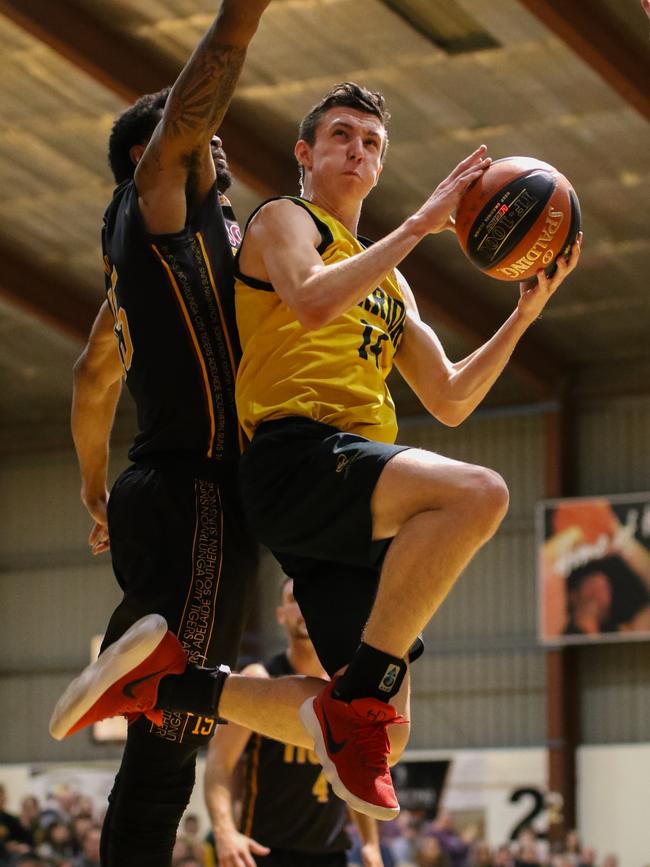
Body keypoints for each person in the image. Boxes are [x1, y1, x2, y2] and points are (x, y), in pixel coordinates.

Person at [47, 2, 347, 864]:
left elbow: (92, 376)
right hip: (198, 487)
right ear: (154, 157)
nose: (222, 148)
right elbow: (192, 107)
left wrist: (90, 486)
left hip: (163, 488)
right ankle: (138, 657)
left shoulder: (146, 260)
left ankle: (139, 647)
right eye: (202, 139)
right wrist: (243, 13)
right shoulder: (157, 206)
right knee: (167, 743)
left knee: (164, 741)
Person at [232, 81, 582, 818]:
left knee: (386, 741)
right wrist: (422, 224)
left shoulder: (390, 279)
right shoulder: (283, 219)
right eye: (342, 136)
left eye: (372, 143)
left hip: (345, 490)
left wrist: (524, 315)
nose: (359, 149)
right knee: (479, 492)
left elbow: (450, 397)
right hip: (295, 453)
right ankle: (361, 692)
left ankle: (175, 685)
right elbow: (313, 298)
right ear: (306, 152)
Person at [204, 577, 383, 867]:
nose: (304, 607)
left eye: (310, 598)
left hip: (331, 854)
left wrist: (371, 844)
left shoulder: (346, 688)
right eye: (293, 599)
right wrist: (224, 832)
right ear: (281, 615)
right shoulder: (259, 680)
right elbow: (219, 763)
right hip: (265, 852)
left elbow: (357, 774)